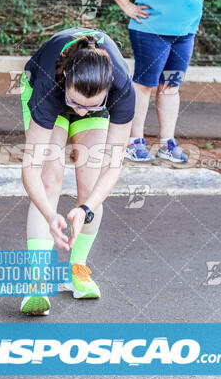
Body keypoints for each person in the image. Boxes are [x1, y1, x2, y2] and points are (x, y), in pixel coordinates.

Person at [20, 27, 135, 315]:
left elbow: (113, 166)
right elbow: (30, 171)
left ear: (109, 88)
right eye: (77, 104)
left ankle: (78, 269)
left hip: (87, 98)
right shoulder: (49, 86)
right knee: (49, 178)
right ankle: (37, 282)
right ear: (66, 81)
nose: (81, 112)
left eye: (91, 106)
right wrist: (50, 214)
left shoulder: (122, 91)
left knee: (92, 183)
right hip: (50, 96)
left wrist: (86, 208)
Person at [102, 0, 208, 163]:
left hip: (185, 32)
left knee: (171, 85)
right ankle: (134, 141)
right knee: (145, 85)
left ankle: (166, 143)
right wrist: (127, 6)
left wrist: (193, 10)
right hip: (152, 30)